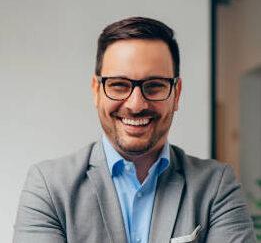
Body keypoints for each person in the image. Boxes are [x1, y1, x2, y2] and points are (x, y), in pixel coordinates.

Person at [13, 17, 256, 243]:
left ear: (176, 93)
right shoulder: (49, 186)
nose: (136, 104)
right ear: (96, 91)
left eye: (154, 86)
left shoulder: (216, 186)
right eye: (119, 85)